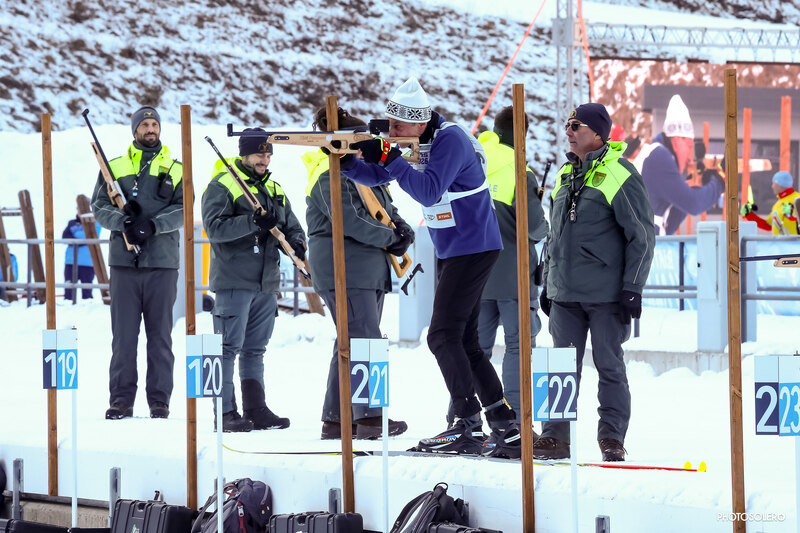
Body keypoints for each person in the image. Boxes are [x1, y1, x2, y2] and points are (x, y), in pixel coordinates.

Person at [344, 77, 521, 458]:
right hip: (456, 248)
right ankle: (504, 422)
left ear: (420, 123)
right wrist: (349, 165)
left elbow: (427, 191)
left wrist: (389, 158)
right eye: (390, 126)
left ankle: (466, 423)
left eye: (398, 127)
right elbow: (380, 176)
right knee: (465, 341)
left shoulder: (450, 141)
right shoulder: (419, 140)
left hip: (472, 246)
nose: (392, 133)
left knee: (441, 335)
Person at [534, 103, 655, 462]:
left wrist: (632, 287)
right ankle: (554, 437)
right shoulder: (564, 174)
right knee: (559, 369)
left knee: (609, 366)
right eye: (567, 125)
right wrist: (548, 284)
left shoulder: (620, 173)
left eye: (576, 125)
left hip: (607, 296)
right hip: (565, 295)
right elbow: (555, 237)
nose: (568, 131)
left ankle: (612, 437)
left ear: (598, 134)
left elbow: (642, 236)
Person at [304, 106, 411, 440]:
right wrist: (391, 237)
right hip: (347, 269)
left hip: (364, 269)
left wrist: (401, 227)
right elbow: (350, 219)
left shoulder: (360, 173)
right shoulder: (329, 174)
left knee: (350, 342)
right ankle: (370, 417)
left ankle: (337, 419)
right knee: (365, 342)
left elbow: (383, 209)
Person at [444, 105, 547, 425]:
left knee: (473, 349)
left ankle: (463, 418)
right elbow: (535, 227)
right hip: (513, 277)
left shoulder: (472, 159)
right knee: (518, 347)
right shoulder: (519, 170)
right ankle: (512, 420)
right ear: (522, 135)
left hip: (473, 275)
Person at [202, 128, 302, 432]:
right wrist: (251, 221)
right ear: (244, 154)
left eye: (268, 154)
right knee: (226, 348)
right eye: (259, 153)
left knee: (255, 349)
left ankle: (256, 409)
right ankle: (225, 413)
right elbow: (214, 228)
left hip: (266, 282)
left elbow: (292, 225)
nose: (265, 159)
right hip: (234, 280)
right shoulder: (222, 185)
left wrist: (297, 244)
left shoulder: (274, 188)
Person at [91, 106, 183, 420]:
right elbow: (99, 206)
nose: (150, 129)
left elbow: (183, 209)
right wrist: (124, 222)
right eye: (144, 124)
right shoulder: (113, 166)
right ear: (135, 130)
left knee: (161, 339)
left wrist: (152, 226)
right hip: (123, 265)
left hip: (162, 264)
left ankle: (159, 401)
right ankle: (121, 401)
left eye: (154, 123)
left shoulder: (175, 167)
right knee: (124, 339)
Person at [633, 94, 724, 235]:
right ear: (677, 141)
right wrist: (720, 181)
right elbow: (693, 204)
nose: (690, 157)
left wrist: (696, 186)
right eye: (689, 147)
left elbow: (670, 224)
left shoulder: (654, 154)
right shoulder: (659, 157)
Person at [740, 171, 800, 235]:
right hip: (779, 241)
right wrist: (749, 215)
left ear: (780, 185)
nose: (772, 186)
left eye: (774, 183)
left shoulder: (797, 198)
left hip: (795, 241)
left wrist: (791, 216)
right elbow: (768, 225)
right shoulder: (777, 204)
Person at [62, 215, 100, 300]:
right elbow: (65, 237)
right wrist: (82, 239)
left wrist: (75, 237)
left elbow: (91, 237)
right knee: (68, 293)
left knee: (87, 294)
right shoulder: (71, 222)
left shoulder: (96, 222)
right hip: (70, 261)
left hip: (87, 262)